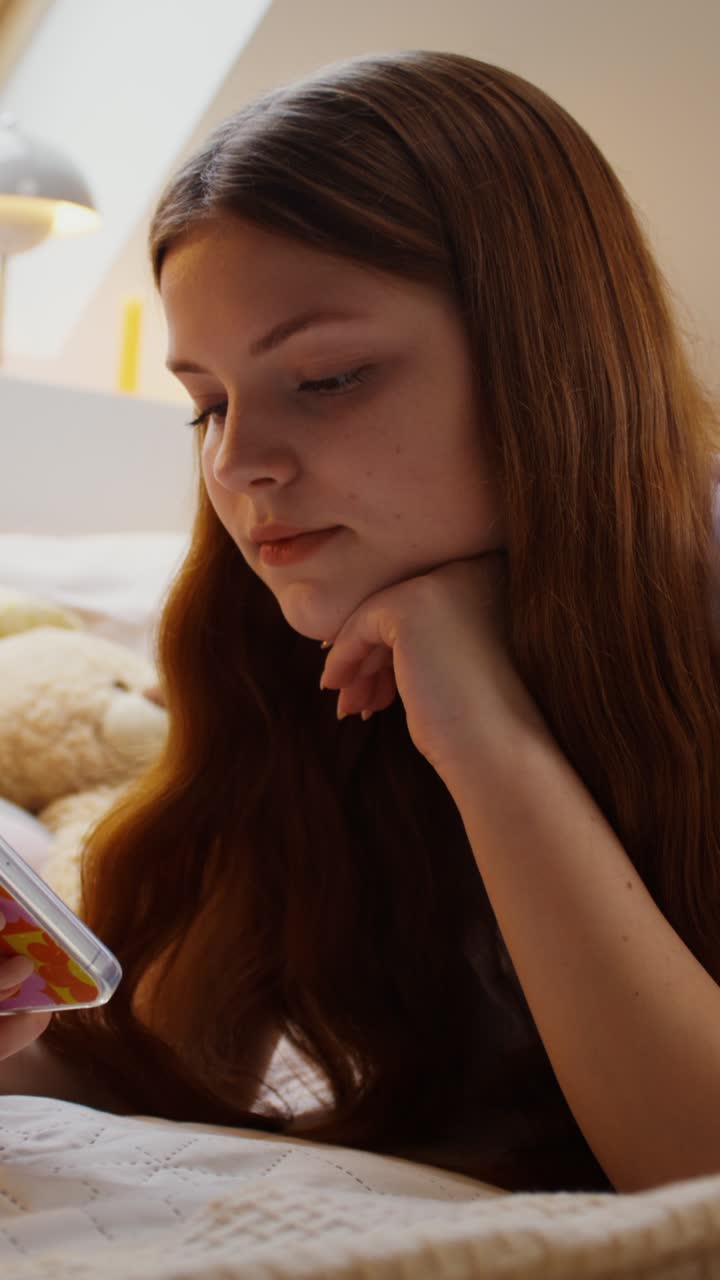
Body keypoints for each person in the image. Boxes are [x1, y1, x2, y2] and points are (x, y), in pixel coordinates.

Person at [2, 49, 719, 1195]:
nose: (239, 463)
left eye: (327, 378)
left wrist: (486, 735)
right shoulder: (290, 648)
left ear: (550, 352)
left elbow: (700, 1175)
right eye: (207, 405)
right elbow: (168, 1070)